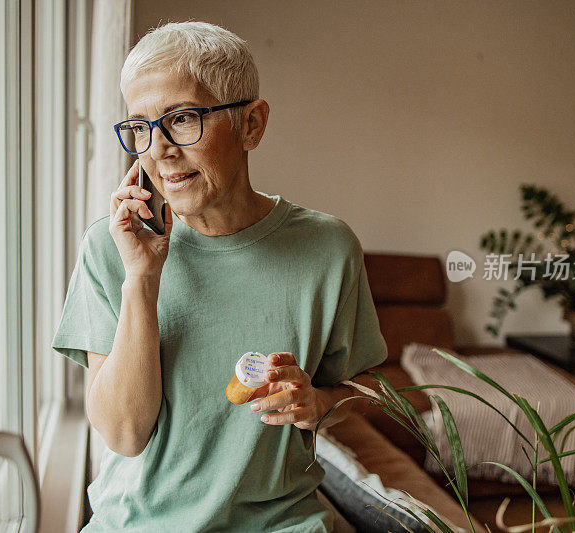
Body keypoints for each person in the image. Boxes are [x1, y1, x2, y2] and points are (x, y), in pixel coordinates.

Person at [52, 21, 387, 532]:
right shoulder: (110, 246)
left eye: (182, 119)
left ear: (252, 124)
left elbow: (366, 386)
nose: (158, 149)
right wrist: (141, 278)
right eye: (140, 126)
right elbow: (124, 434)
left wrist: (316, 402)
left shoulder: (329, 248)